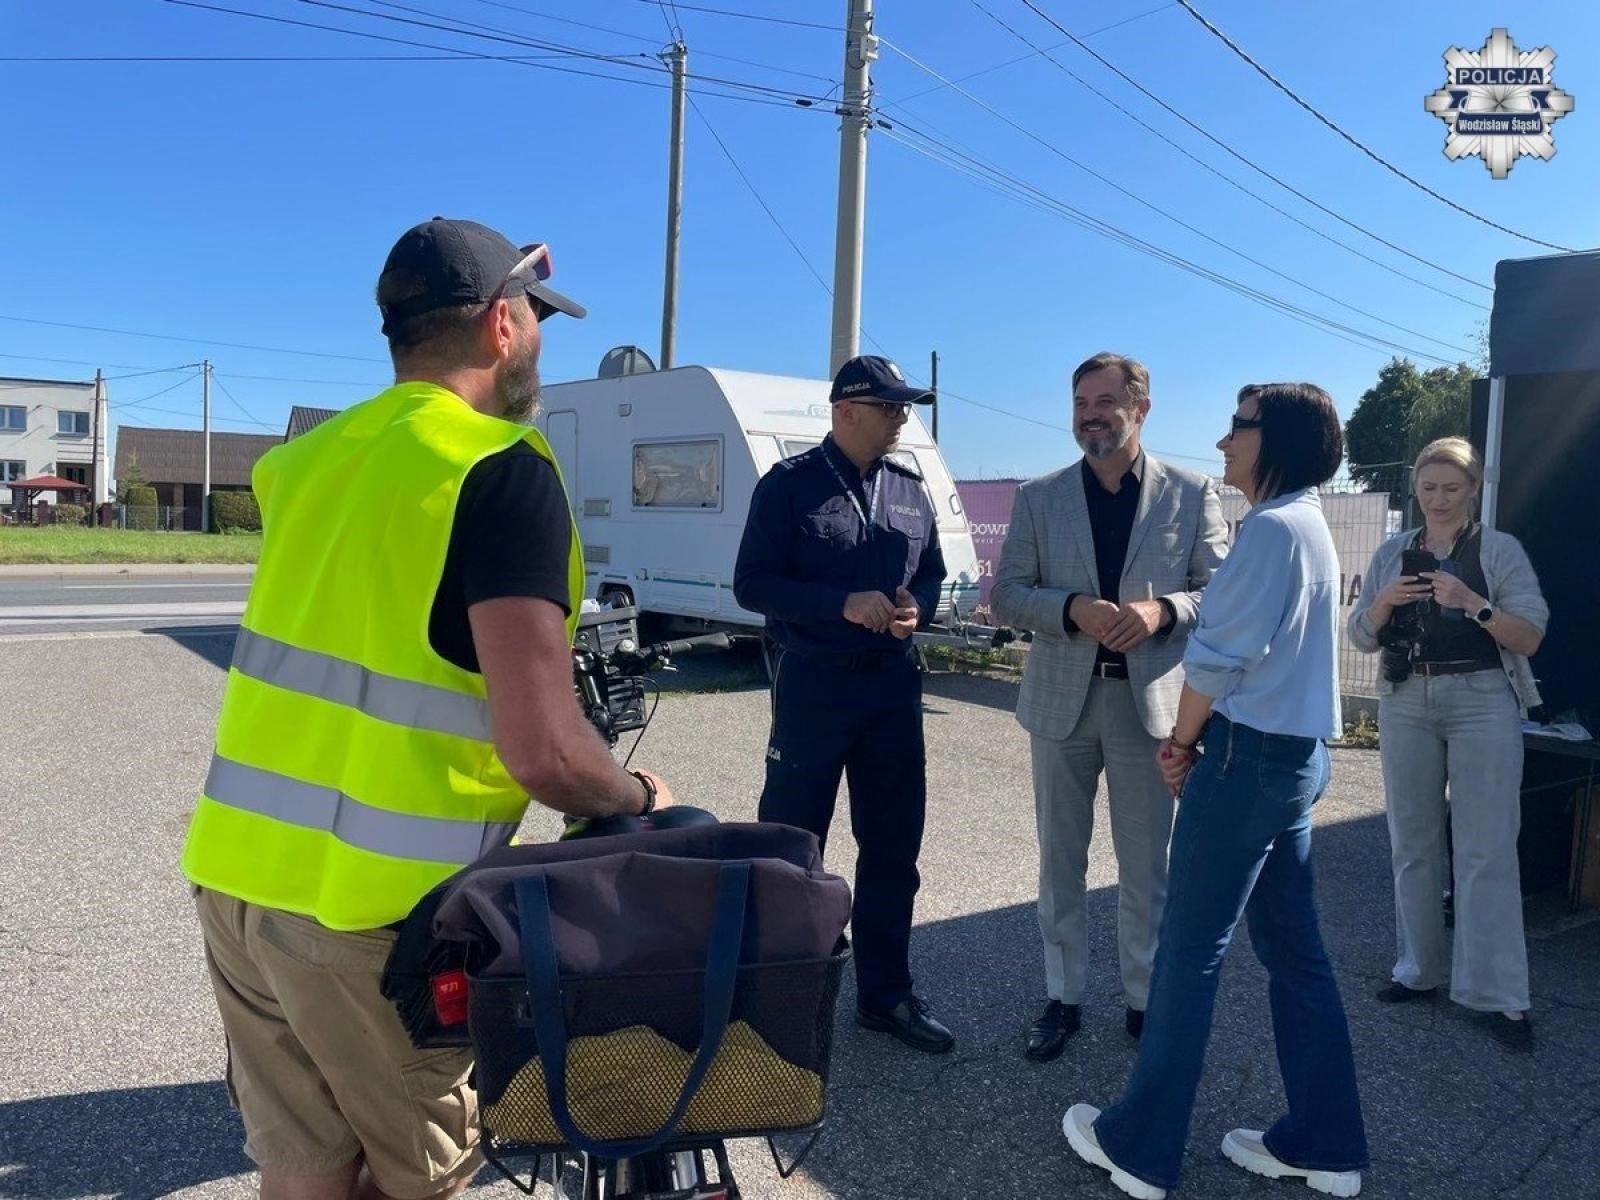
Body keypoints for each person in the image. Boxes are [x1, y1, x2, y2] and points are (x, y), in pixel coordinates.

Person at [181, 218, 674, 1200]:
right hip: (374, 920)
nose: (540, 341)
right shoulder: (499, 467)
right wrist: (636, 789)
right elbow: (540, 749)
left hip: (236, 877)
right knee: (426, 1177)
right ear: (501, 325)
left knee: (304, 1165)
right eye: (538, 321)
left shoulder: (307, 462)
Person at [1064, 383, 1368, 1200]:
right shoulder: (1308, 524)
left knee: (1189, 954)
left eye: (1240, 426)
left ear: (1278, 441)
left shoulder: (1270, 529)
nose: (1226, 440)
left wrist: (1181, 742)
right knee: (1296, 954)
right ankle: (1326, 1141)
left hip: (1243, 761)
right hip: (1293, 761)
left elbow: (1217, 658)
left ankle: (1141, 1146)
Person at [991, 352, 1227, 1061]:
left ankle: (1143, 1001)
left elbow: (1220, 594)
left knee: (1145, 867)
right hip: (1062, 705)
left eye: (1105, 402)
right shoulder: (1040, 496)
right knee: (1060, 862)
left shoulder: (1192, 493)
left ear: (1141, 408)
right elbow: (1006, 593)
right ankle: (1062, 997)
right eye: (1081, 404)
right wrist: (1070, 608)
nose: (1090, 415)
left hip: (1147, 709)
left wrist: (1162, 610)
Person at [732, 354, 952, 1054]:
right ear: (847, 411)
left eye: (905, 409)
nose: (902, 420)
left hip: (891, 688)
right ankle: (781, 996)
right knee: (793, 845)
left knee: (893, 847)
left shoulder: (910, 490)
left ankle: (886, 997)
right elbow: (752, 584)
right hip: (814, 683)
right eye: (891, 409)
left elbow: (933, 575)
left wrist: (922, 607)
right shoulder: (789, 487)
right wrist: (838, 603)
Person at [1349, 436, 1547, 1051]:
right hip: (1408, 698)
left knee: (1486, 848)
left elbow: (1531, 635)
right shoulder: (1392, 552)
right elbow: (1359, 637)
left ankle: (1498, 996)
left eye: (1451, 488)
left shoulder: (1499, 550)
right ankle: (1418, 971)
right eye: (1429, 488)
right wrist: (1382, 602)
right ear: (1416, 489)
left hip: (1482, 697)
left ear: (1473, 490)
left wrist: (1474, 604)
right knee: (1413, 843)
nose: (1438, 499)